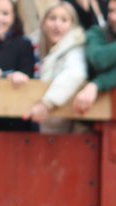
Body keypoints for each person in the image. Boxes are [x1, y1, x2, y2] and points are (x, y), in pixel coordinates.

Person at [22, 0, 88, 130]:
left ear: (72, 25)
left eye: (64, 20)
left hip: (59, 127)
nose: (57, 25)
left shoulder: (75, 47)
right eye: (52, 18)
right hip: (32, 122)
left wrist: (46, 104)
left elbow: (75, 73)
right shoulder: (31, 44)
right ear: (44, 23)